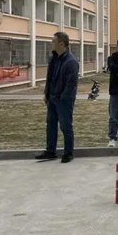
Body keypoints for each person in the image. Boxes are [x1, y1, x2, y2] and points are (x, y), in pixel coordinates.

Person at [35, 32, 79, 163]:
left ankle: (68, 153)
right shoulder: (53, 59)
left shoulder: (71, 61)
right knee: (51, 125)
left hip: (64, 100)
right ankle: (50, 151)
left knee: (65, 126)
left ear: (61, 43)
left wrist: (63, 97)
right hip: (52, 98)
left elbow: (71, 83)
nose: (51, 44)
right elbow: (49, 78)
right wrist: (46, 94)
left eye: (53, 41)